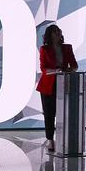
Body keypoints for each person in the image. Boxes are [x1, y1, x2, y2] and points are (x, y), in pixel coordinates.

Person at [36, 24, 78, 153]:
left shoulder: (67, 47)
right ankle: (50, 140)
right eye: (54, 32)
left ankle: (63, 138)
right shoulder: (44, 49)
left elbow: (75, 65)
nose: (57, 33)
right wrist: (56, 70)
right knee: (49, 114)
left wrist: (69, 70)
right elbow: (43, 69)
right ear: (50, 35)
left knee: (64, 113)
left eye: (58, 31)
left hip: (64, 83)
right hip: (48, 85)